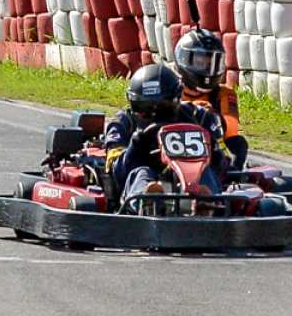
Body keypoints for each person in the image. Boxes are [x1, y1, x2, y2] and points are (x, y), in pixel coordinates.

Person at [102, 63, 230, 207]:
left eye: (163, 108)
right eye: (145, 108)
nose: (154, 114)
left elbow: (224, 165)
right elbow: (117, 172)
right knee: (142, 173)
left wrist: (211, 146)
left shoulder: (199, 116)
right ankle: (148, 200)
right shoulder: (123, 122)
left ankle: (204, 203)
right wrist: (137, 143)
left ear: (177, 98)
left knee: (204, 172)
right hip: (144, 181)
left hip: (192, 179)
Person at [171, 27, 250, 169]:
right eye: (200, 63)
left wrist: (211, 117)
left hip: (211, 153)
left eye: (212, 64)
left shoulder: (224, 94)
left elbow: (231, 130)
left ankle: (231, 174)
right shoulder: (170, 90)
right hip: (171, 149)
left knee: (238, 143)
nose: (207, 70)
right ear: (183, 60)